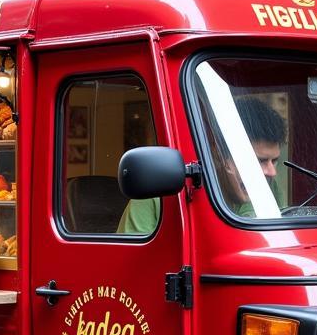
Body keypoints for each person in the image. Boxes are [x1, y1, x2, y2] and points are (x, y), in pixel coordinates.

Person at [117, 95, 285, 234]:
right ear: (219, 154)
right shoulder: (158, 196)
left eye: (274, 161)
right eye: (259, 161)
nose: (271, 172)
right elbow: (132, 268)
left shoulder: (268, 189)